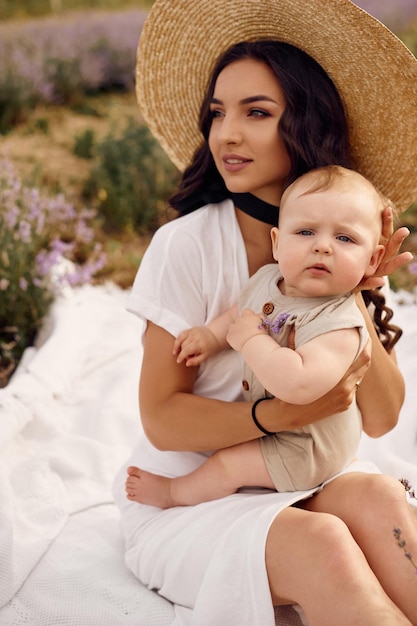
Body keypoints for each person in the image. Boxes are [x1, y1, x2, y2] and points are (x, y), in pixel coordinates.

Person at [113, 1, 417, 624]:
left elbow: (380, 419)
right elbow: (162, 420)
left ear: (307, 124)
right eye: (217, 113)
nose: (226, 133)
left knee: (381, 498)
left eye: (257, 113)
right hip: (193, 496)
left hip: (301, 472)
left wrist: (354, 294)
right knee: (325, 544)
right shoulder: (189, 244)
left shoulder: (339, 249)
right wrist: (283, 413)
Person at [125, 165, 390, 507]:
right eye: (306, 232)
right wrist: (210, 336)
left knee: (227, 465)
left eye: (344, 238)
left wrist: (251, 341)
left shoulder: (340, 324)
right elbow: (240, 312)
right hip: (283, 430)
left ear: (373, 259)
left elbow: (296, 384)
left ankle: (174, 494)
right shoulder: (270, 278)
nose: (323, 247)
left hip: (308, 448)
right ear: (277, 243)